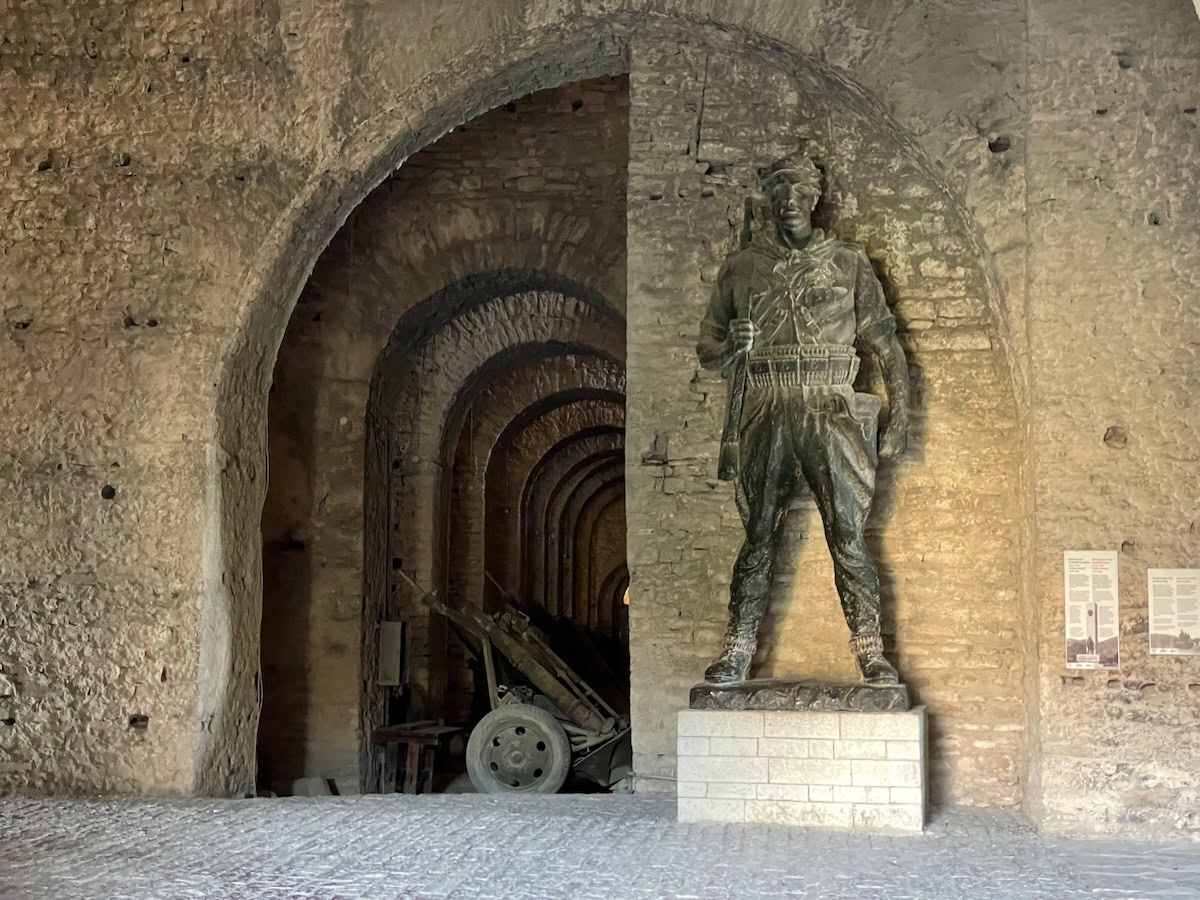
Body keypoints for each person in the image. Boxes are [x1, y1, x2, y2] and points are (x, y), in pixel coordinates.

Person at [696, 155, 911, 685]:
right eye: (779, 191)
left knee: (848, 534)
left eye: (799, 190)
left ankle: (870, 653)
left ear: (815, 198)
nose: (789, 200)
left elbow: (885, 341)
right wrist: (732, 348)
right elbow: (708, 348)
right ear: (769, 201)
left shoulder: (848, 263)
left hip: (830, 401)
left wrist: (901, 413)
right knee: (758, 535)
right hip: (766, 401)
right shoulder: (742, 267)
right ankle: (738, 649)